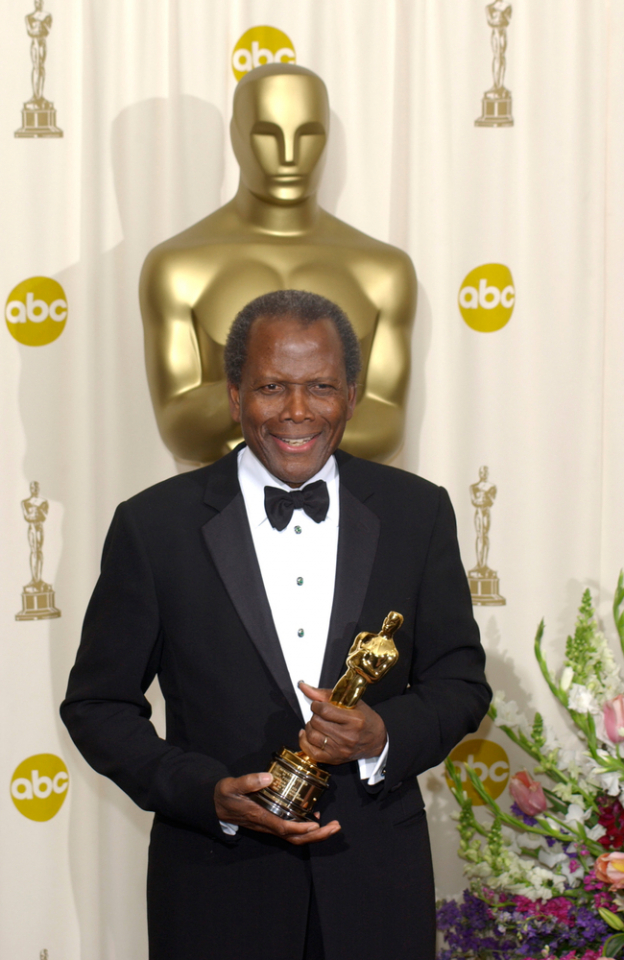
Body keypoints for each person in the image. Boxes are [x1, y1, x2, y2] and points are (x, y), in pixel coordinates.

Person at [62, 290, 491, 960]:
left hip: (375, 884)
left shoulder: (418, 513)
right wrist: (204, 793)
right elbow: (98, 703)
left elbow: (461, 682)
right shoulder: (154, 526)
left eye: (320, 386)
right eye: (271, 387)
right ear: (235, 396)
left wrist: (382, 734)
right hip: (214, 889)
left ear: (351, 395)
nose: (297, 411)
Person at [139, 64, 416, 467]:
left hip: (354, 513)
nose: (289, 156)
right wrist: (309, 405)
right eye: (267, 134)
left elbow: (387, 425)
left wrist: (259, 404)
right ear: (236, 138)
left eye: (308, 135)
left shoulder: (384, 271)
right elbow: (181, 431)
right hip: (216, 515)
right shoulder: (177, 267)